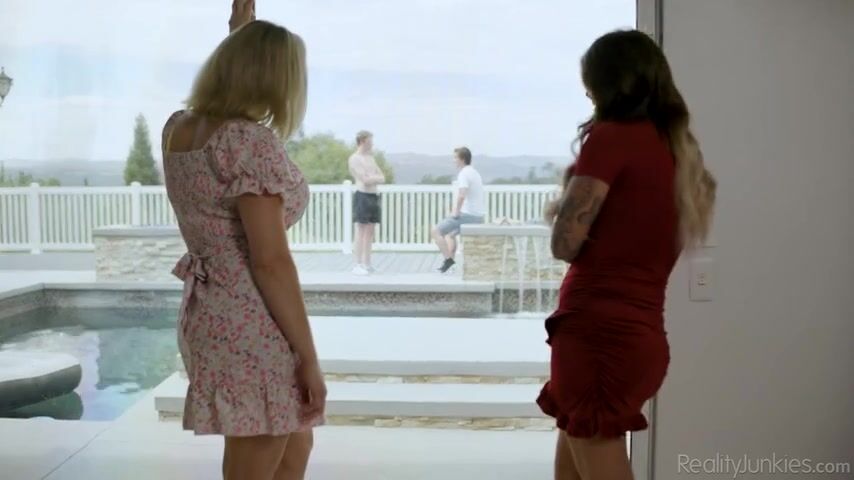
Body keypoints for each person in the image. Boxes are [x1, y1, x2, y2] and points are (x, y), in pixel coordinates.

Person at [538, 30, 716, 480]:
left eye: (589, 85)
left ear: (607, 84)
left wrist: (561, 206)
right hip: (635, 338)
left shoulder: (612, 138)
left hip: (597, 340)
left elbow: (564, 244)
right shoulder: (674, 150)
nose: (587, 94)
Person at [161, 2, 325, 479]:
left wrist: (239, 35)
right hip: (251, 321)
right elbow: (270, 261)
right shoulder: (249, 142)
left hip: (210, 312)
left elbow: (227, 133)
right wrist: (309, 358)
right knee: (260, 457)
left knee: (294, 442)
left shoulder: (179, 128)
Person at [431, 147, 485, 273]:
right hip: (478, 216)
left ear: (462, 159)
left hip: (468, 215)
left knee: (435, 231)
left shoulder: (463, 174)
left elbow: (462, 195)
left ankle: (448, 260)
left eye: (455, 158)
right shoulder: (474, 172)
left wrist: (456, 212)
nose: (453, 160)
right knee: (450, 234)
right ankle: (451, 264)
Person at [348, 130, 385, 275]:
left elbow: (382, 177)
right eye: (370, 140)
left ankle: (367, 263)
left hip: (373, 196)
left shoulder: (370, 158)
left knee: (370, 231)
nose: (372, 143)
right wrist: (373, 177)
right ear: (363, 141)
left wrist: (372, 177)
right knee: (361, 229)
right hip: (362, 196)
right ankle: (357, 264)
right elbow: (365, 180)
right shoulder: (354, 159)